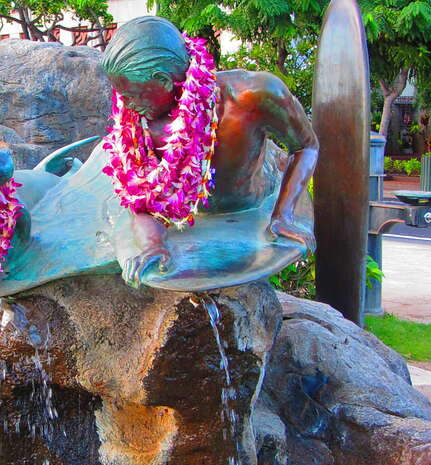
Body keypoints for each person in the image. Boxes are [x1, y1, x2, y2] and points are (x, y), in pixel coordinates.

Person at [101, 16, 319, 286]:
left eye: (132, 95)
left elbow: (306, 146)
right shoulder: (141, 125)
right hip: (201, 215)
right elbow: (145, 202)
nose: (127, 106)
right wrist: (153, 246)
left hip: (256, 196)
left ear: (164, 81)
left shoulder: (254, 94)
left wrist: (283, 216)